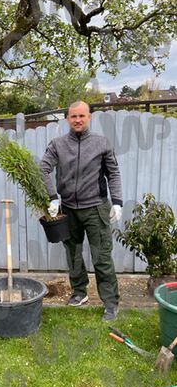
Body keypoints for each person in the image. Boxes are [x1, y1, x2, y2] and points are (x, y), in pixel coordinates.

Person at [40, 101, 123, 322]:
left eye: (82, 116)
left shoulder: (101, 143)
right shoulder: (57, 144)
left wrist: (117, 202)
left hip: (96, 208)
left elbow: (113, 174)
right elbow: (44, 168)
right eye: (73, 116)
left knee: (101, 257)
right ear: (67, 118)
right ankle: (79, 293)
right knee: (73, 254)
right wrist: (53, 197)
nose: (77, 120)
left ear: (89, 117)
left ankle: (111, 304)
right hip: (68, 209)